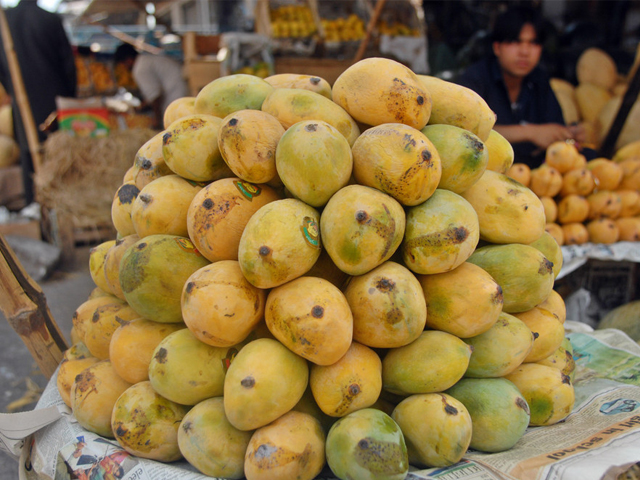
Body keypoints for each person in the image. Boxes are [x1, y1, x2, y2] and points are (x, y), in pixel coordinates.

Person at [455, 5, 586, 169]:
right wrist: (530, 132)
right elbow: (461, 133)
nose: (525, 51)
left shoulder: (539, 79)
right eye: (516, 42)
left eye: (533, 43)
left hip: (535, 174)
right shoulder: (475, 79)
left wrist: (569, 133)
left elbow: (554, 127)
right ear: (497, 47)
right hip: (484, 171)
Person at [0, 0, 77, 205]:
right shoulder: (49, 19)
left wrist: (13, 92)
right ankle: (59, 206)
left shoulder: (5, 21)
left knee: (30, 154)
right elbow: (68, 64)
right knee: (58, 154)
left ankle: (34, 204)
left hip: (22, 101)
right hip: (54, 99)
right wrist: (70, 97)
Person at [113, 43, 188, 130]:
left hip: (177, 98)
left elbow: (155, 96)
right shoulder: (146, 60)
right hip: (181, 92)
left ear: (128, 60)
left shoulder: (140, 69)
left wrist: (157, 121)